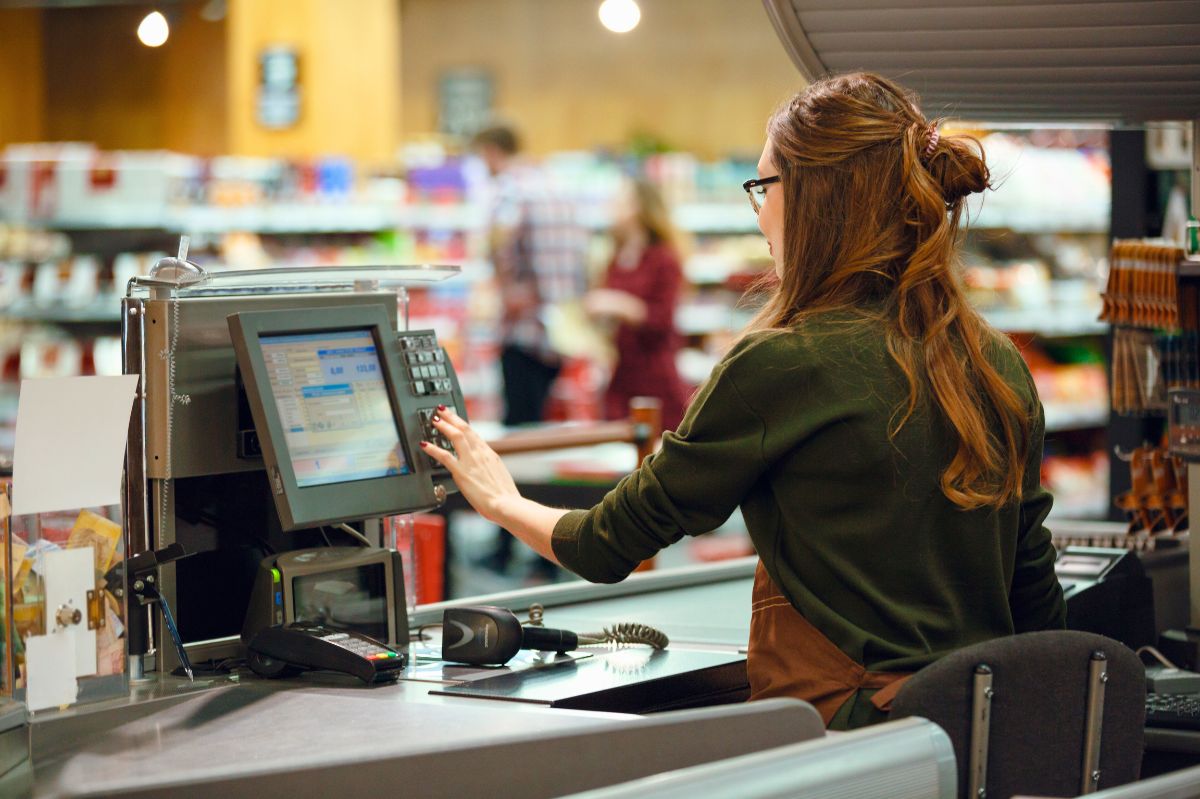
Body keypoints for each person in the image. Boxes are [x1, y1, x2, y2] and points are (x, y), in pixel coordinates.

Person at [427, 73, 1066, 730]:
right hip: (982, 729)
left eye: (765, 185)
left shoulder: (785, 361)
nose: (757, 210)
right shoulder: (997, 361)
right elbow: (1035, 595)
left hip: (849, 739)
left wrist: (500, 499)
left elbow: (606, 544)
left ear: (819, 197)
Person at [471, 124, 589, 426]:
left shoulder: (511, 188)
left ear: (491, 152)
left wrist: (506, 284)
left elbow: (499, 238)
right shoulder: (556, 184)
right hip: (561, 327)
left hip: (524, 327)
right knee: (545, 421)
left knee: (521, 426)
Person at [584, 177, 689, 431]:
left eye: (619, 199)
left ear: (639, 206)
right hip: (620, 374)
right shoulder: (615, 257)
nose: (611, 205)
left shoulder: (663, 258)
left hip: (654, 376)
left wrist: (617, 304)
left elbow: (662, 319)